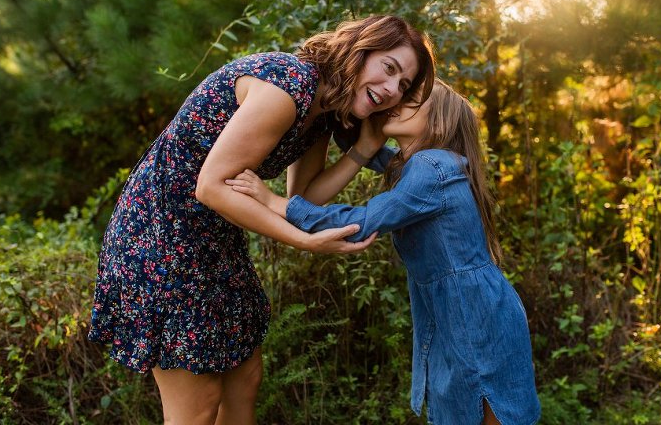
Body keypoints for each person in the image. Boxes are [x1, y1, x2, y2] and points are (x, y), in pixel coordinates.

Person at [88, 15, 436, 425]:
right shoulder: (288, 86)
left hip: (214, 239)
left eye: (403, 85)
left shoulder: (323, 110)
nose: (392, 90)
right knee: (199, 404)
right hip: (160, 238)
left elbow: (301, 198)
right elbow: (211, 188)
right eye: (389, 69)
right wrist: (305, 242)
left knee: (244, 380)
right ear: (359, 50)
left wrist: (361, 150)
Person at [228, 80, 541, 425]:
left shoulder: (431, 168)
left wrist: (277, 203)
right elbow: (367, 151)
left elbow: (363, 221)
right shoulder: (424, 166)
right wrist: (341, 115)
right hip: (472, 308)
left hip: (475, 315)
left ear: (437, 123)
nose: (398, 104)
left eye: (412, 102)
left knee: (480, 409)